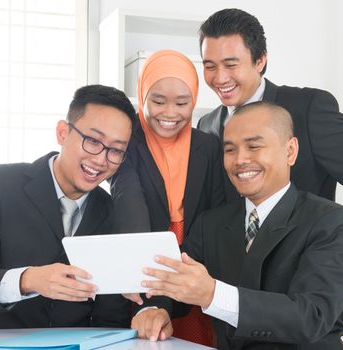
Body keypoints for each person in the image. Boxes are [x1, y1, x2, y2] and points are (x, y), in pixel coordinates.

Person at [196, 8, 343, 323]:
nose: (220, 78)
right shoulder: (207, 125)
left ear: (260, 60)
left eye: (231, 64)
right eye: (209, 66)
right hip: (227, 303)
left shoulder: (309, 109)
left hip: (300, 295)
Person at [132, 102, 343, 349]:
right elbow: (176, 276)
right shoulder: (211, 223)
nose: (240, 159)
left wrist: (213, 294)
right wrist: (156, 309)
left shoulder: (332, 222)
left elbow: (311, 316)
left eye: (254, 146)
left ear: (290, 151)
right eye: (230, 150)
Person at [0, 84, 136, 329]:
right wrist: (28, 279)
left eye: (116, 151)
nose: (101, 160)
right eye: (92, 141)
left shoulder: (114, 213)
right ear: (62, 132)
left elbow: (111, 318)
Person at [110, 50, 225, 346]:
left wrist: (187, 275)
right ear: (142, 94)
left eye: (182, 103)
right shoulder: (128, 141)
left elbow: (215, 216)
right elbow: (130, 207)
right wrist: (153, 297)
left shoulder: (209, 146)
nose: (170, 113)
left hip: (197, 264)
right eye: (158, 101)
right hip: (144, 271)